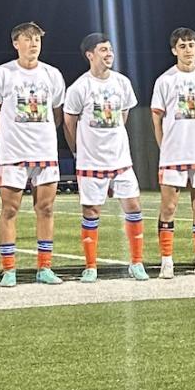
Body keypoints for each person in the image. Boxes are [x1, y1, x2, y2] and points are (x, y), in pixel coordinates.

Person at [0, 22, 67, 285]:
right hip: (14, 154)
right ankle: (9, 269)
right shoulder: (2, 74)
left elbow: (56, 114)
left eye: (37, 40)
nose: (33, 44)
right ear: (15, 43)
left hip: (44, 152)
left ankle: (44, 268)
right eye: (27, 39)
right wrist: (5, 140)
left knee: (46, 208)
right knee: (10, 209)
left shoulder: (52, 74)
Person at [63, 32, 148, 281]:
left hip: (120, 160)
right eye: (103, 50)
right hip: (91, 161)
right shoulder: (80, 87)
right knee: (91, 212)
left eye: (110, 49)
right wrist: (78, 152)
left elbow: (123, 115)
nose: (109, 53)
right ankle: (90, 266)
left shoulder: (122, 83)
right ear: (90, 55)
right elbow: (69, 123)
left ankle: (137, 262)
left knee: (133, 206)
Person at [151, 27, 195, 278]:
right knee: (169, 207)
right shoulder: (165, 80)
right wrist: (165, 145)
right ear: (174, 50)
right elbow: (157, 115)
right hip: (174, 153)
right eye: (182, 46)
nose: (188, 50)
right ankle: (166, 262)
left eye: (191, 45)